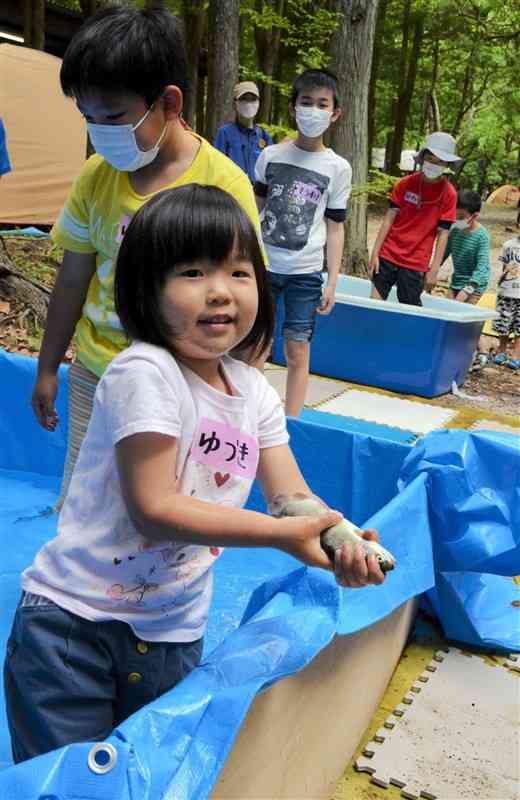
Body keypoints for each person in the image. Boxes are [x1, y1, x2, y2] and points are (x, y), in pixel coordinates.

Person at [4, 185, 387, 763]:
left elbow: (290, 497)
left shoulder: (253, 392)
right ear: (146, 289)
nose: (220, 292)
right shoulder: (146, 372)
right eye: (192, 271)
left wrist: (340, 537)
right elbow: (154, 508)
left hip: (171, 636)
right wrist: (284, 536)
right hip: (73, 630)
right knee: (70, 784)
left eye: (238, 272)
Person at [30, 7, 262, 510]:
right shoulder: (96, 178)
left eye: (112, 117)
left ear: (168, 102)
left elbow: (245, 294)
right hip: (99, 373)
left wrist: (234, 396)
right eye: (87, 117)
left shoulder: (222, 184)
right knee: (84, 501)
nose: (98, 131)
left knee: (170, 506)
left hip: (184, 381)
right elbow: (74, 277)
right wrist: (49, 366)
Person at [254, 68, 351, 417]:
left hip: (306, 273)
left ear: (335, 113)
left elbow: (336, 227)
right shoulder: (270, 157)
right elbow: (255, 210)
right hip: (263, 267)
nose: (313, 110)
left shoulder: (338, 168)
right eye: (306, 102)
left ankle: (292, 421)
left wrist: (333, 281)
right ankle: (250, 414)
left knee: (297, 351)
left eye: (322, 103)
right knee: (255, 348)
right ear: (293, 108)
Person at [369, 131, 459, 307]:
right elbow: (388, 219)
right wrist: (375, 252)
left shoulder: (449, 194)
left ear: (447, 164)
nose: (435, 164)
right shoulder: (405, 183)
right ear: (423, 157)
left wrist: (434, 269)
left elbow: (443, 234)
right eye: (431, 159)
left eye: (440, 161)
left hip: (416, 261)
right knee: (374, 305)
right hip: (388, 253)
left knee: (409, 308)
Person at [213, 81, 272, 184]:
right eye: (244, 99)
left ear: (258, 103)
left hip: (257, 197)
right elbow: (216, 169)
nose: (249, 103)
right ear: (235, 103)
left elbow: (270, 171)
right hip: (232, 195)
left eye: (253, 99)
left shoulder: (264, 136)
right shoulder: (225, 133)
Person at [443, 189, 490, 304]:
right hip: (456, 281)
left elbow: (482, 269)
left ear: (474, 216)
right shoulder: (454, 231)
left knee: (462, 313)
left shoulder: (482, 237)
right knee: (448, 310)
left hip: (475, 285)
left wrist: (466, 291)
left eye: (460, 217)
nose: (456, 220)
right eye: (455, 215)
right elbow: (443, 253)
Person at [492, 233, 520, 370]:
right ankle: (501, 351)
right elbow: (503, 268)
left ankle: (516, 356)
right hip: (507, 291)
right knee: (503, 323)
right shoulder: (509, 245)